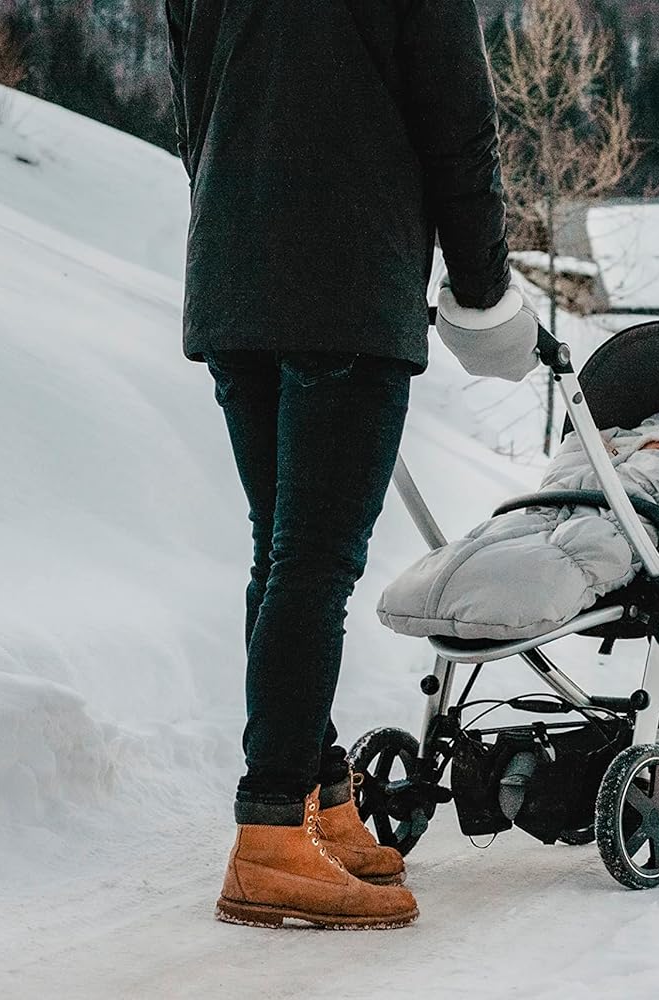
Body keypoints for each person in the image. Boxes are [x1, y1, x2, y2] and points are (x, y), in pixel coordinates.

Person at [165, 0, 541, 929]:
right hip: (343, 275)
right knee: (312, 562)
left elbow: (193, 105)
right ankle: (269, 836)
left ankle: (320, 799)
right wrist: (485, 291)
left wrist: (232, 225)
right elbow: (458, 125)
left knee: (282, 552)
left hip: (232, 273)